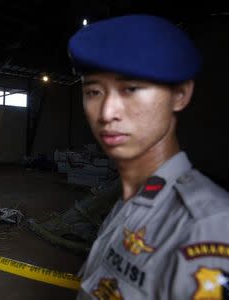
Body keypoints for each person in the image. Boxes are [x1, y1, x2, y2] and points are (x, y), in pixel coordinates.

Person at [67, 14, 229, 299]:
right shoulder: (133, 201)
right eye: (94, 91)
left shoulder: (207, 225)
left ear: (180, 95)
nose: (106, 114)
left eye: (131, 89)